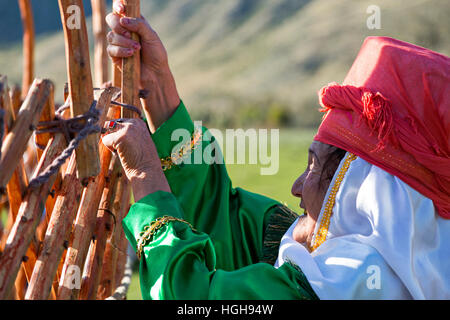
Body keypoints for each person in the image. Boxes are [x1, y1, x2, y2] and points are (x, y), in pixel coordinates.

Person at [102, 2, 450, 300]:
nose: (296, 186)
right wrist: (159, 86)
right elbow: (225, 226)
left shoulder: (346, 284)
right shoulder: (352, 261)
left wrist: (145, 172)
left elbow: (195, 296)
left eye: (315, 166)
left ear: (362, 191)